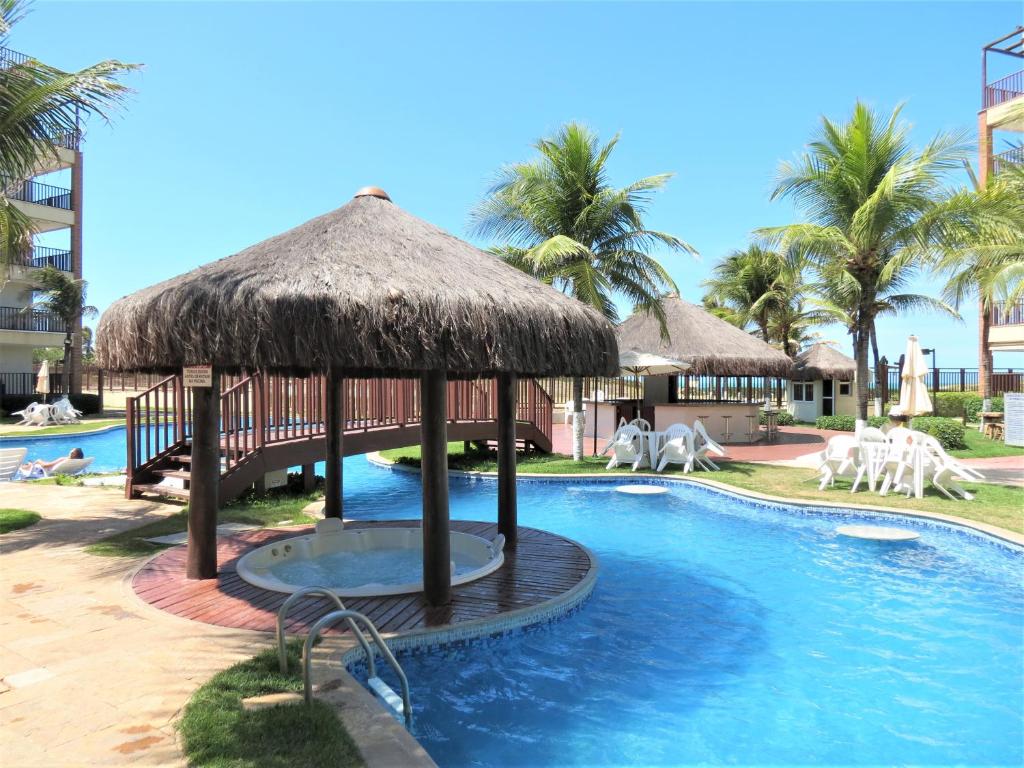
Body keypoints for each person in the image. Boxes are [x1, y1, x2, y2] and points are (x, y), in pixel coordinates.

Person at [19, 447, 84, 477]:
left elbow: (45, 466)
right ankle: (29, 464)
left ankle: (24, 466)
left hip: (47, 469)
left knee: (35, 463)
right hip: (56, 469)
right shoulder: (75, 462)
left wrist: (39, 461)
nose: (70, 451)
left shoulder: (63, 459)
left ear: (73, 454)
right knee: (36, 463)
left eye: (72, 451)